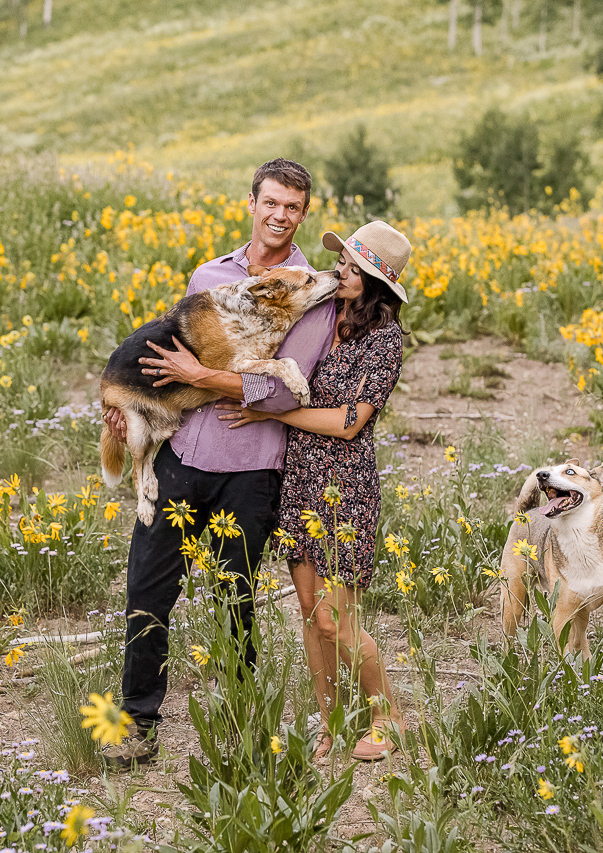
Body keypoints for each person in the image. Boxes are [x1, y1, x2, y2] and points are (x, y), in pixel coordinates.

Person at [99, 158, 337, 768]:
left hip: (253, 469)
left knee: (237, 597)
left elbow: (289, 390)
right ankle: (137, 721)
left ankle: (240, 721)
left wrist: (208, 377)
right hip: (185, 452)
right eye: (272, 203)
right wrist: (132, 408)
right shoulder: (210, 273)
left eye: (293, 208)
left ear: (303, 214)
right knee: (149, 587)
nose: (280, 216)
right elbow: (176, 358)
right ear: (251, 203)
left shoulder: (313, 292)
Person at [220, 220, 411, 761]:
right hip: (299, 475)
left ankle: (388, 715)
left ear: (377, 282)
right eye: (343, 263)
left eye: (353, 268)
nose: (340, 272)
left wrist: (272, 411)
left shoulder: (384, 339)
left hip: (343, 485)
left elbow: (351, 421)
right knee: (308, 612)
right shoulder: (324, 316)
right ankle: (331, 723)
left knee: (336, 618)